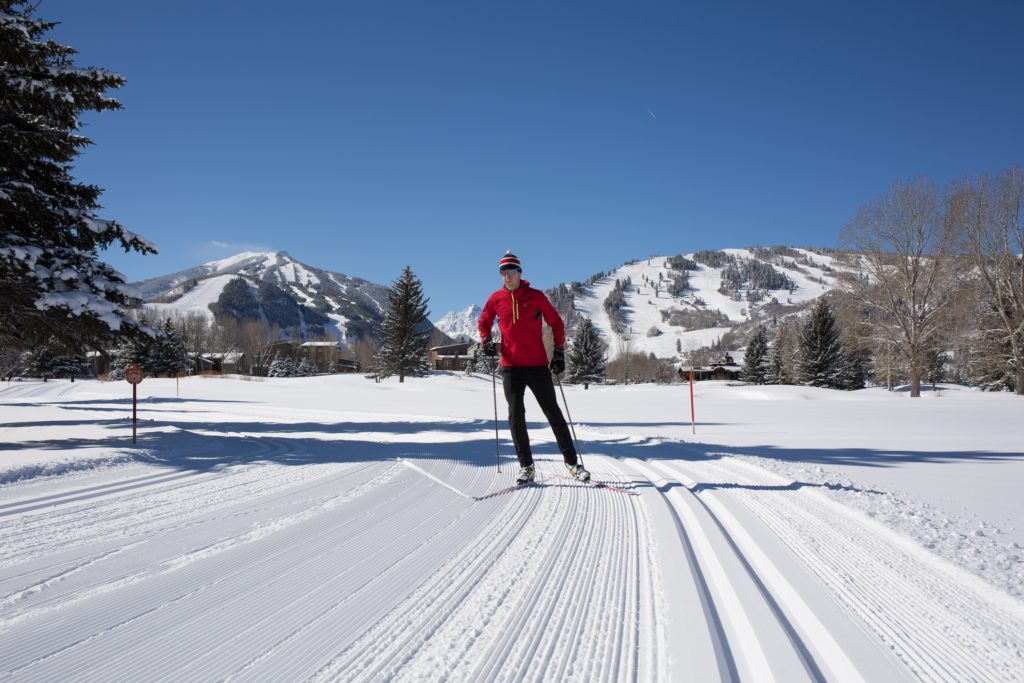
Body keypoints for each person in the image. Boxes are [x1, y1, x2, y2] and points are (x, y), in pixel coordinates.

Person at [478, 251, 591, 485]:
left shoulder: (536, 297)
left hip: (538, 365)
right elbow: (484, 321)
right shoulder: (495, 299)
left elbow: (556, 323)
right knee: (515, 416)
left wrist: (558, 352)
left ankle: (572, 463)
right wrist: (486, 341)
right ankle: (526, 466)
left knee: (553, 414)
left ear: (520, 273)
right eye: (503, 273)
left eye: (511, 271)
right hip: (510, 367)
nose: (507, 277)